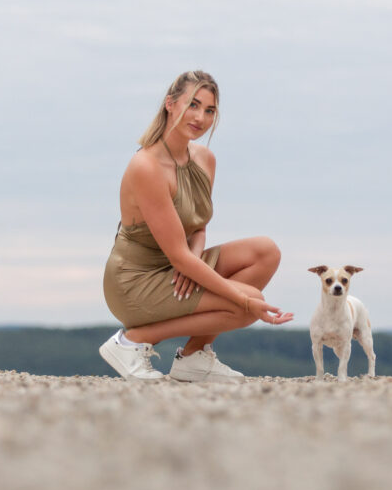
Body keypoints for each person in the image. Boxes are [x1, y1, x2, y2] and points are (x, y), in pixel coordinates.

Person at [100, 70, 293, 382]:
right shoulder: (146, 166)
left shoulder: (204, 159)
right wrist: (242, 300)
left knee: (265, 252)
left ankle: (194, 358)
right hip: (135, 281)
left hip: (178, 267)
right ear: (170, 104)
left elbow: (198, 225)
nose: (200, 117)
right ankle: (131, 342)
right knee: (246, 305)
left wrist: (193, 261)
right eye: (193, 105)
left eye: (209, 110)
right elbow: (178, 256)